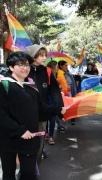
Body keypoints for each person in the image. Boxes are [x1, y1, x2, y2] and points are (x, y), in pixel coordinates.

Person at [0, 52, 64, 180]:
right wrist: (20, 130)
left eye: (27, 65)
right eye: (21, 65)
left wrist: (58, 110)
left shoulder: (31, 87)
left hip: (30, 139)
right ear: (11, 67)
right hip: (8, 139)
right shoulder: (3, 85)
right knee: (8, 174)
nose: (25, 68)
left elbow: (41, 109)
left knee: (29, 174)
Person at [26, 45, 64, 164]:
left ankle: (35, 169)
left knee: (39, 143)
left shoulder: (47, 71)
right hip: (24, 114)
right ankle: (24, 169)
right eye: (41, 55)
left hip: (42, 115)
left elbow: (54, 91)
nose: (44, 58)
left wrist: (59, 109)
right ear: (33, 56)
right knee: (24, 143)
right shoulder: (24, 69)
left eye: (45, 56)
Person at [57, 60, 77, 125]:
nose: (66, 66)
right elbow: (60, 84)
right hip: (64, 94)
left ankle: (67, 122)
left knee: (68, 108)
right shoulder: (60, 74)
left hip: (69, 93)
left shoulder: (67, 73)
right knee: (63, 109)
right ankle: (61, 125)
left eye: (67, 65)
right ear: (61, 66)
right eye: (65, 65)